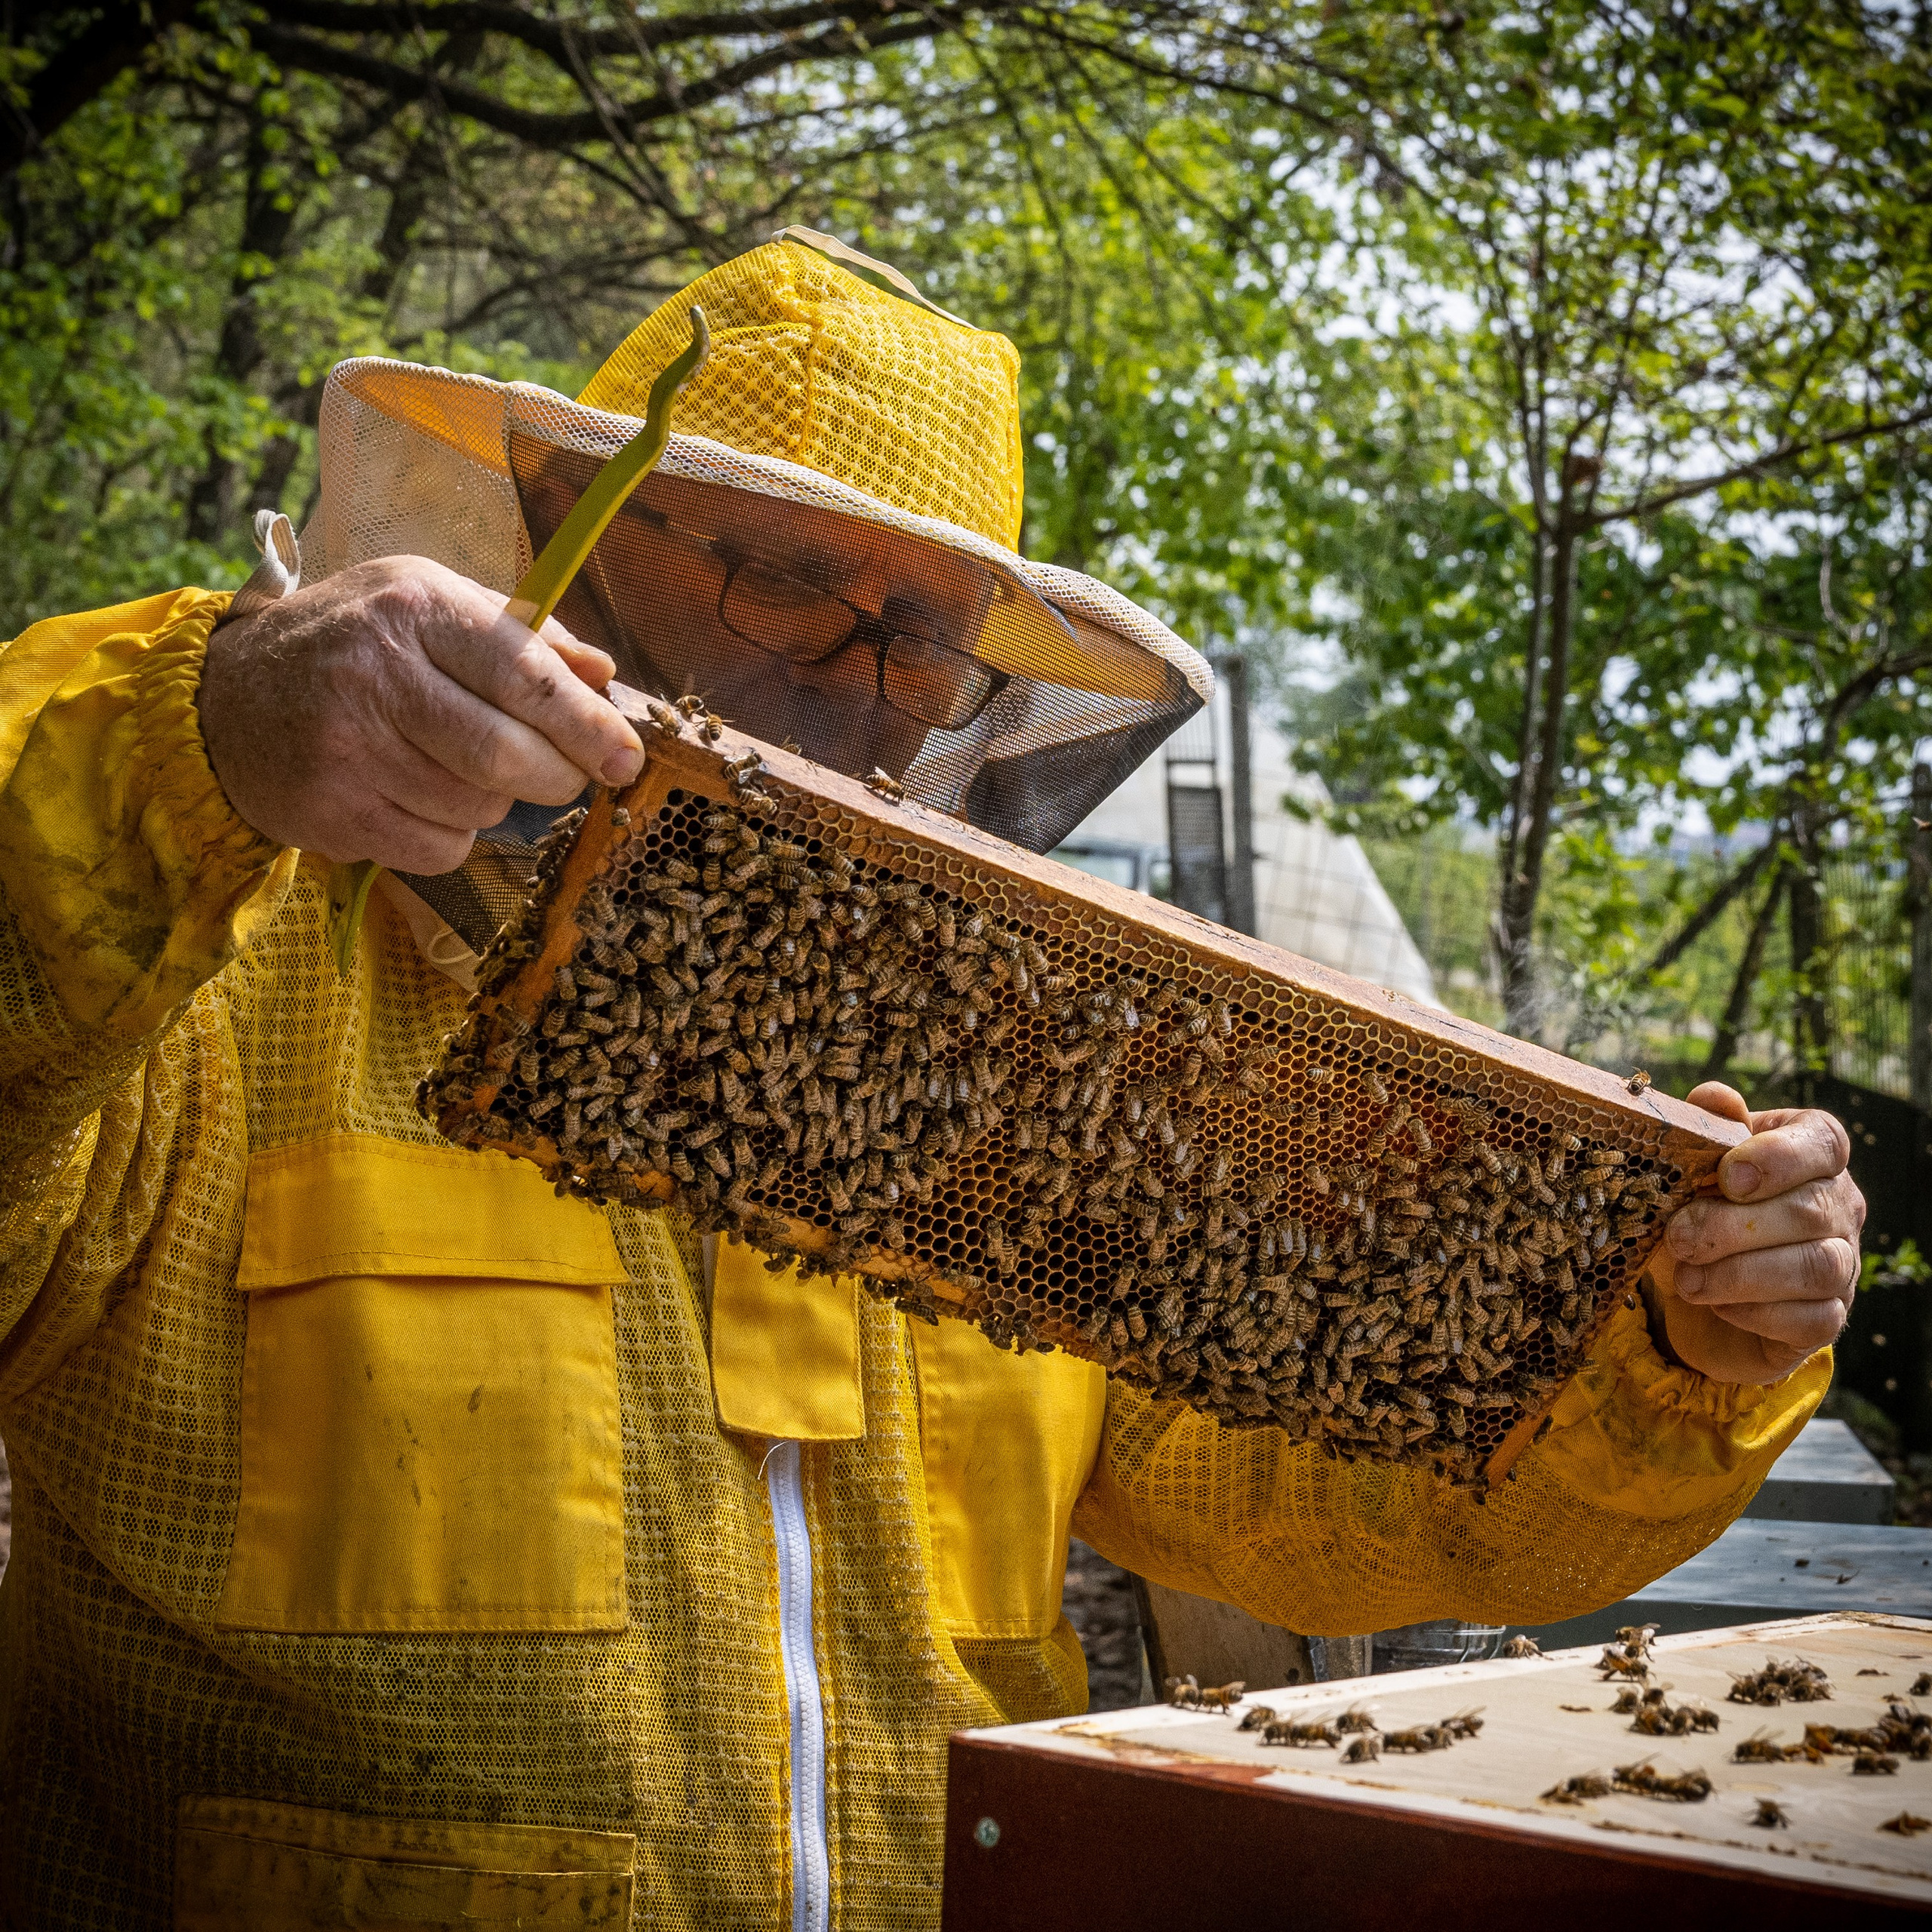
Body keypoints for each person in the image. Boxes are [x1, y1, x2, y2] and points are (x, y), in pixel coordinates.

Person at [0, 235, 1865, 1930]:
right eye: (793, 593)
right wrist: (202, 727)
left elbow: (1328, 1497)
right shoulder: (222, 959)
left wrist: (1669, 1345)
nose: (871, 693)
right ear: (567, 514)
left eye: (929, 643)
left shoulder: (999, 1086)